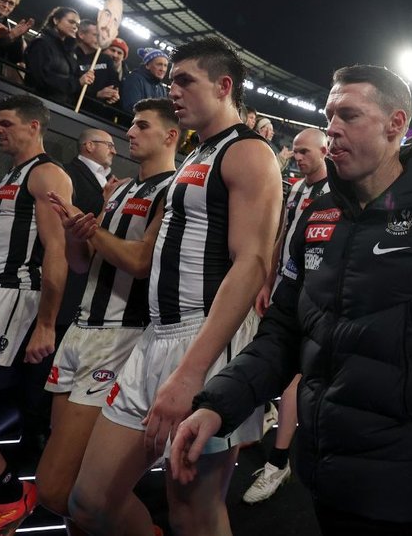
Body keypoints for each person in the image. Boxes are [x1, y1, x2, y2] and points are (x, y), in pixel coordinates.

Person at [171, 64, 412, 536]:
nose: (332, 127)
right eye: (330, 114)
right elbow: (285, 332)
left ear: (396, 124)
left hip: (397, 485)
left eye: (349, 115)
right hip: (320, 470)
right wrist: (217, 404)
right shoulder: (319, 213)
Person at [67, 37, 282, 536]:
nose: (174, 91)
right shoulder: (195, 154)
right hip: (155, 338)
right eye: (171, 81)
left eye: (186, 80)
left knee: (194, 510)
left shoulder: (249, 152)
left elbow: (250, 265)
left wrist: (190, 374)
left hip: (205, 343)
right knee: (89, 502)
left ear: (224, 86)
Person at [36, 98, 178, 533]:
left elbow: (139, 262)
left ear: (170, 136)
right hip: (81, 330)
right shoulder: (120, 189)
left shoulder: (173, 190)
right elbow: (82, 263)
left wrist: (92, 227)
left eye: (141, 125)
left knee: (58, 490)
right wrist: (77, 234)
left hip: (120, 337)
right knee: (76, 495)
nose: (129, 133)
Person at [0, 94, 73, 535]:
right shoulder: (13, 175)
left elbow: (56, 253)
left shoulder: (47, 174)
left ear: (34, 126)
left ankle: (10, 494)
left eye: (6, 123)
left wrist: (46, 324)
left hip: (10, 294)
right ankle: (7, 492)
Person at [245, 127, 330, 505]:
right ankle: (269, 421)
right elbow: (281, 234)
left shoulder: (338, 190)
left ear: (325, 150)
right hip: (284, 289)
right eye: (295, 151)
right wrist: (267, 281)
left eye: (305, 152)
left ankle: (279, 461)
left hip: (314, 298)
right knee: (270, 361)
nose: (298, 157)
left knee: (297, 375)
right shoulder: (296, 188)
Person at [24, 7, 94, 105]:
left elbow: (76, 78)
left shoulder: (71, 52)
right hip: (37, 102)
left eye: (77, 25)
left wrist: (85, 79)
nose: (75, 27)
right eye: (71, 22)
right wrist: (76, 83)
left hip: (61, 106)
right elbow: (41, 78)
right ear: (56, 20)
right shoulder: (41, 43)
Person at [75, 20, 120, 108]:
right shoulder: (71, 55)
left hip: (98, 111)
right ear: (81, 34)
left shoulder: (106, 59)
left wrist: (113, 94)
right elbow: (70, 84)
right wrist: (96, 94)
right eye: (96, 35)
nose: (100, 39)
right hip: (73, 106)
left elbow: (114, 82)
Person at [119, 47, 169, 114]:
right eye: (159, 64)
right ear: (147, 65)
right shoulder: (134, 79)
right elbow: (132, 107)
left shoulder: (161, 88)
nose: (163, 69)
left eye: (165, 65)